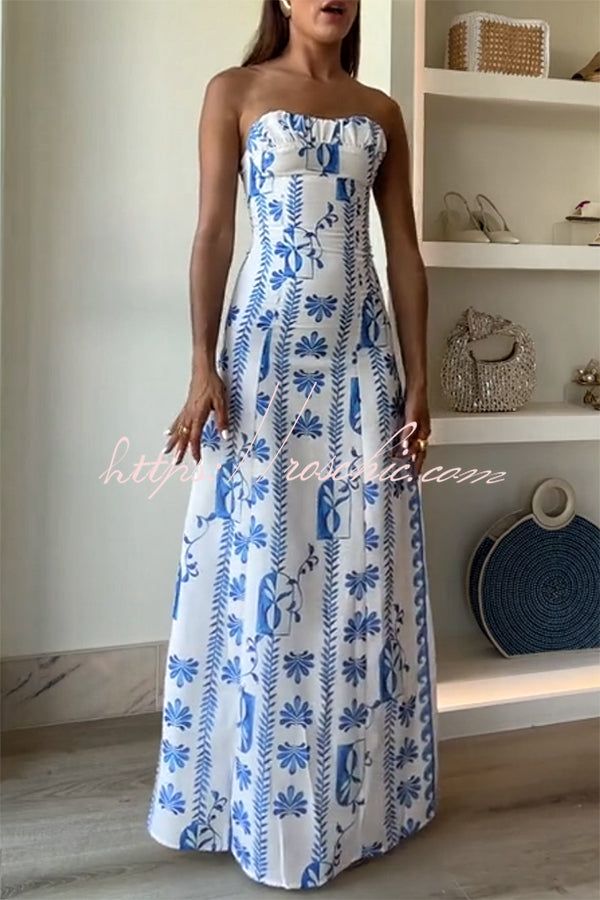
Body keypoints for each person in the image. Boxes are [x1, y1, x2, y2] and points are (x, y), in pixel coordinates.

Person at [146, 0, 438, 890]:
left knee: (359, 568)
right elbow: (213, 232)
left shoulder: (381, 110)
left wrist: (420, 377)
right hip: (263, 365)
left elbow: (402, 249)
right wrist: (202, 367)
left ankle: (362, 809)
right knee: (265, 564)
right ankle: (252, 807)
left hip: (361, 362)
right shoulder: (234, 91)